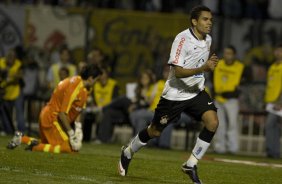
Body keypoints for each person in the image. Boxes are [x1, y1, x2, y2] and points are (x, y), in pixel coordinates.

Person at [118, 5, 219, 184]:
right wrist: (204, 68)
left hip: (196, 92)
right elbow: (178, 72)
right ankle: (128, 151)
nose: (209, 23)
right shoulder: (182, 39)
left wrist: (208, 65)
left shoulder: (208, 40)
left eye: (210, 19)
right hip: (175, 95)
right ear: (194, 21)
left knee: (212, 122)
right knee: (155, 131)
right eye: (205, 19)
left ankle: (191, 164)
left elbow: (199, 65)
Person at [6, 64, 102, 153]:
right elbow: (62, 114)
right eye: (96, 80)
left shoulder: (85, 87)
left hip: (52, 118)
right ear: (90, 78)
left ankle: (22, 139)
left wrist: (78, 129)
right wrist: (72, 134)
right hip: (52, 119)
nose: (97, 83)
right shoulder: (75, 86)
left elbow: (78, 108)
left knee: (55, 145)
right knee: (69, 149)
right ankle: (34, 147)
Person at [213, 45, 245, 154]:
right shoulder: (218, 64)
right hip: (218, 97)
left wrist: (237, 90)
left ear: (234, 55)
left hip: (232, 99)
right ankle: (220, 148)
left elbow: (245, 81)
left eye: (230, 53)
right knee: (219, 124)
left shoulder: (240, 66)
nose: (227, 55)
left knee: (232, 124)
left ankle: (233, 148)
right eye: (226, 53)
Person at [264, 43, 282, 159]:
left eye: (280, 51)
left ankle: (273, 151)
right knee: (272, 126)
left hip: (278, 102)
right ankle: (273, 152)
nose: (278, 53)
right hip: (272, 102)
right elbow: (270, 85)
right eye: (277, 50)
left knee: (270, 125)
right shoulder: (272, 67)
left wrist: (280, 101)